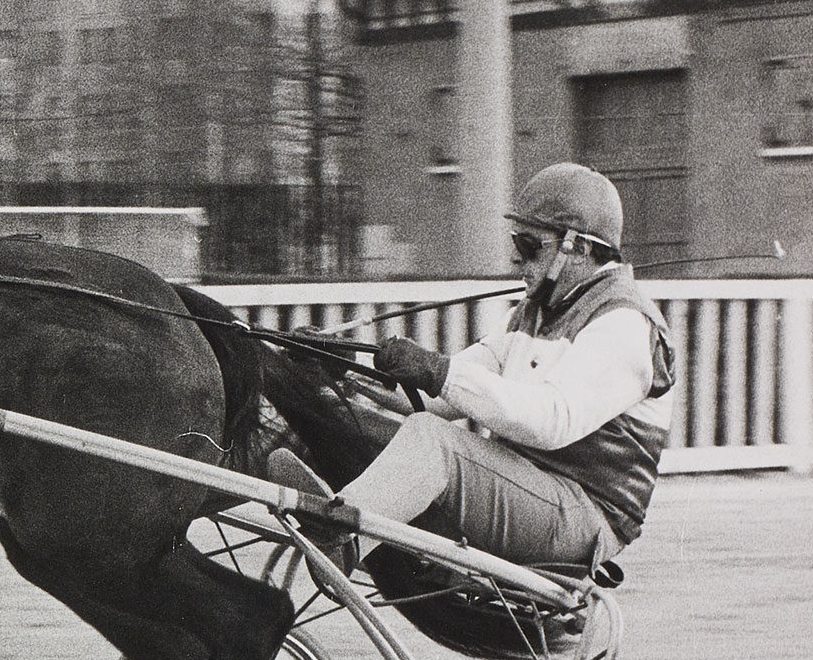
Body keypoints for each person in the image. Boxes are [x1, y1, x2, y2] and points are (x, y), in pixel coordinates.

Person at [274, 162, 676, 570]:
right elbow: (436, 400)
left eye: (528, 245)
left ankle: (339, 538)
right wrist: (345, 365)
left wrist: (440, 371)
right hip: (524, 487)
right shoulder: (532, 314)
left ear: (579, 248)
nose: (518, 260)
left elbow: (551, 422)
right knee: (337, 416)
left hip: (584, 517)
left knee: (433, 441)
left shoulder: (625, 322)